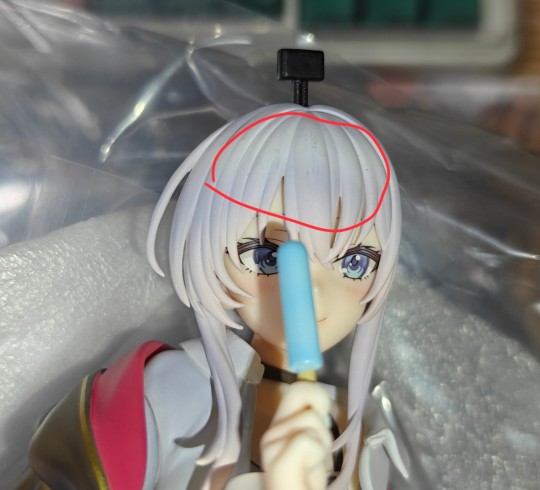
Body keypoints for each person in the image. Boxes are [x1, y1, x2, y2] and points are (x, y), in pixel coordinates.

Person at [18, 103, 407, 490]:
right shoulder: (165, 395)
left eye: (355, 262)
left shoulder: (362, 427)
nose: (310, 291)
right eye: (266, 257)